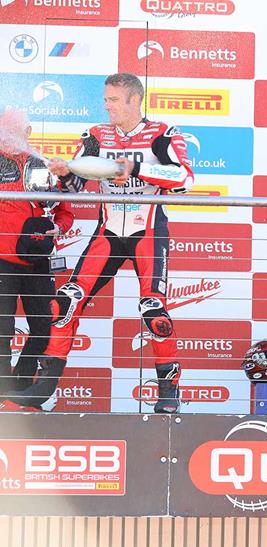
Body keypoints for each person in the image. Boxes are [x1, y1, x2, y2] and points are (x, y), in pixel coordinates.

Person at [40, 73, 193, 413]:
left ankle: (169, 394)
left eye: (112, 100)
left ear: (134, 100)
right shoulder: (95, 135)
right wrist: (65, 174)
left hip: (148, 231)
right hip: (107, 232)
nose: (106, 106)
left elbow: (184, 179)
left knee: (154, 312)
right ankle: (45, 391)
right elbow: (76, 188)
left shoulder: (162, 134)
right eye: (105, 99)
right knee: (66, 302)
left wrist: (135, 168)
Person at [0, 109, 74, 411]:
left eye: (21, 130)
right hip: (2, 260)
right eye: (9, 130)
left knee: (43, 326)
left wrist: (57, 228)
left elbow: (66, 211)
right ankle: (5, 392)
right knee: (2, 329)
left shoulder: (42, 164)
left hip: (37, 260)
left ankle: (19, 385)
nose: (15, 137)